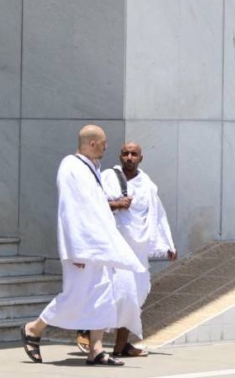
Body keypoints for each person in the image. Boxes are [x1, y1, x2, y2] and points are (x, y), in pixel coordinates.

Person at [21, 125, 145, 366]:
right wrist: (76, 248)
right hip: (81, 247)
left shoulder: (91, 168)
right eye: (103, 142)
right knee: (75, 295)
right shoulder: (71, 167)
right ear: (92, 144)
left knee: (102, 294)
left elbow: (94, 207)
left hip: (96, 246)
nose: (106, 146)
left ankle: (96, 349)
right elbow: (72, 211)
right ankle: (33, 329)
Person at [95, 141, 177, 358]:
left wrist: (168, 243)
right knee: (113, 294)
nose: (129, 157)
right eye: (125, 153)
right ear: (120, 156)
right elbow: (91, 205)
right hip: (112, 249)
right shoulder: (107, 178)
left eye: (134, 154)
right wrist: (117, 204)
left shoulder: (147, 185)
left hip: (136, 251)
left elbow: (157, 215)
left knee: (134, 296)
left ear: (141, 158)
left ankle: (121, 346)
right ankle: (94, 344)